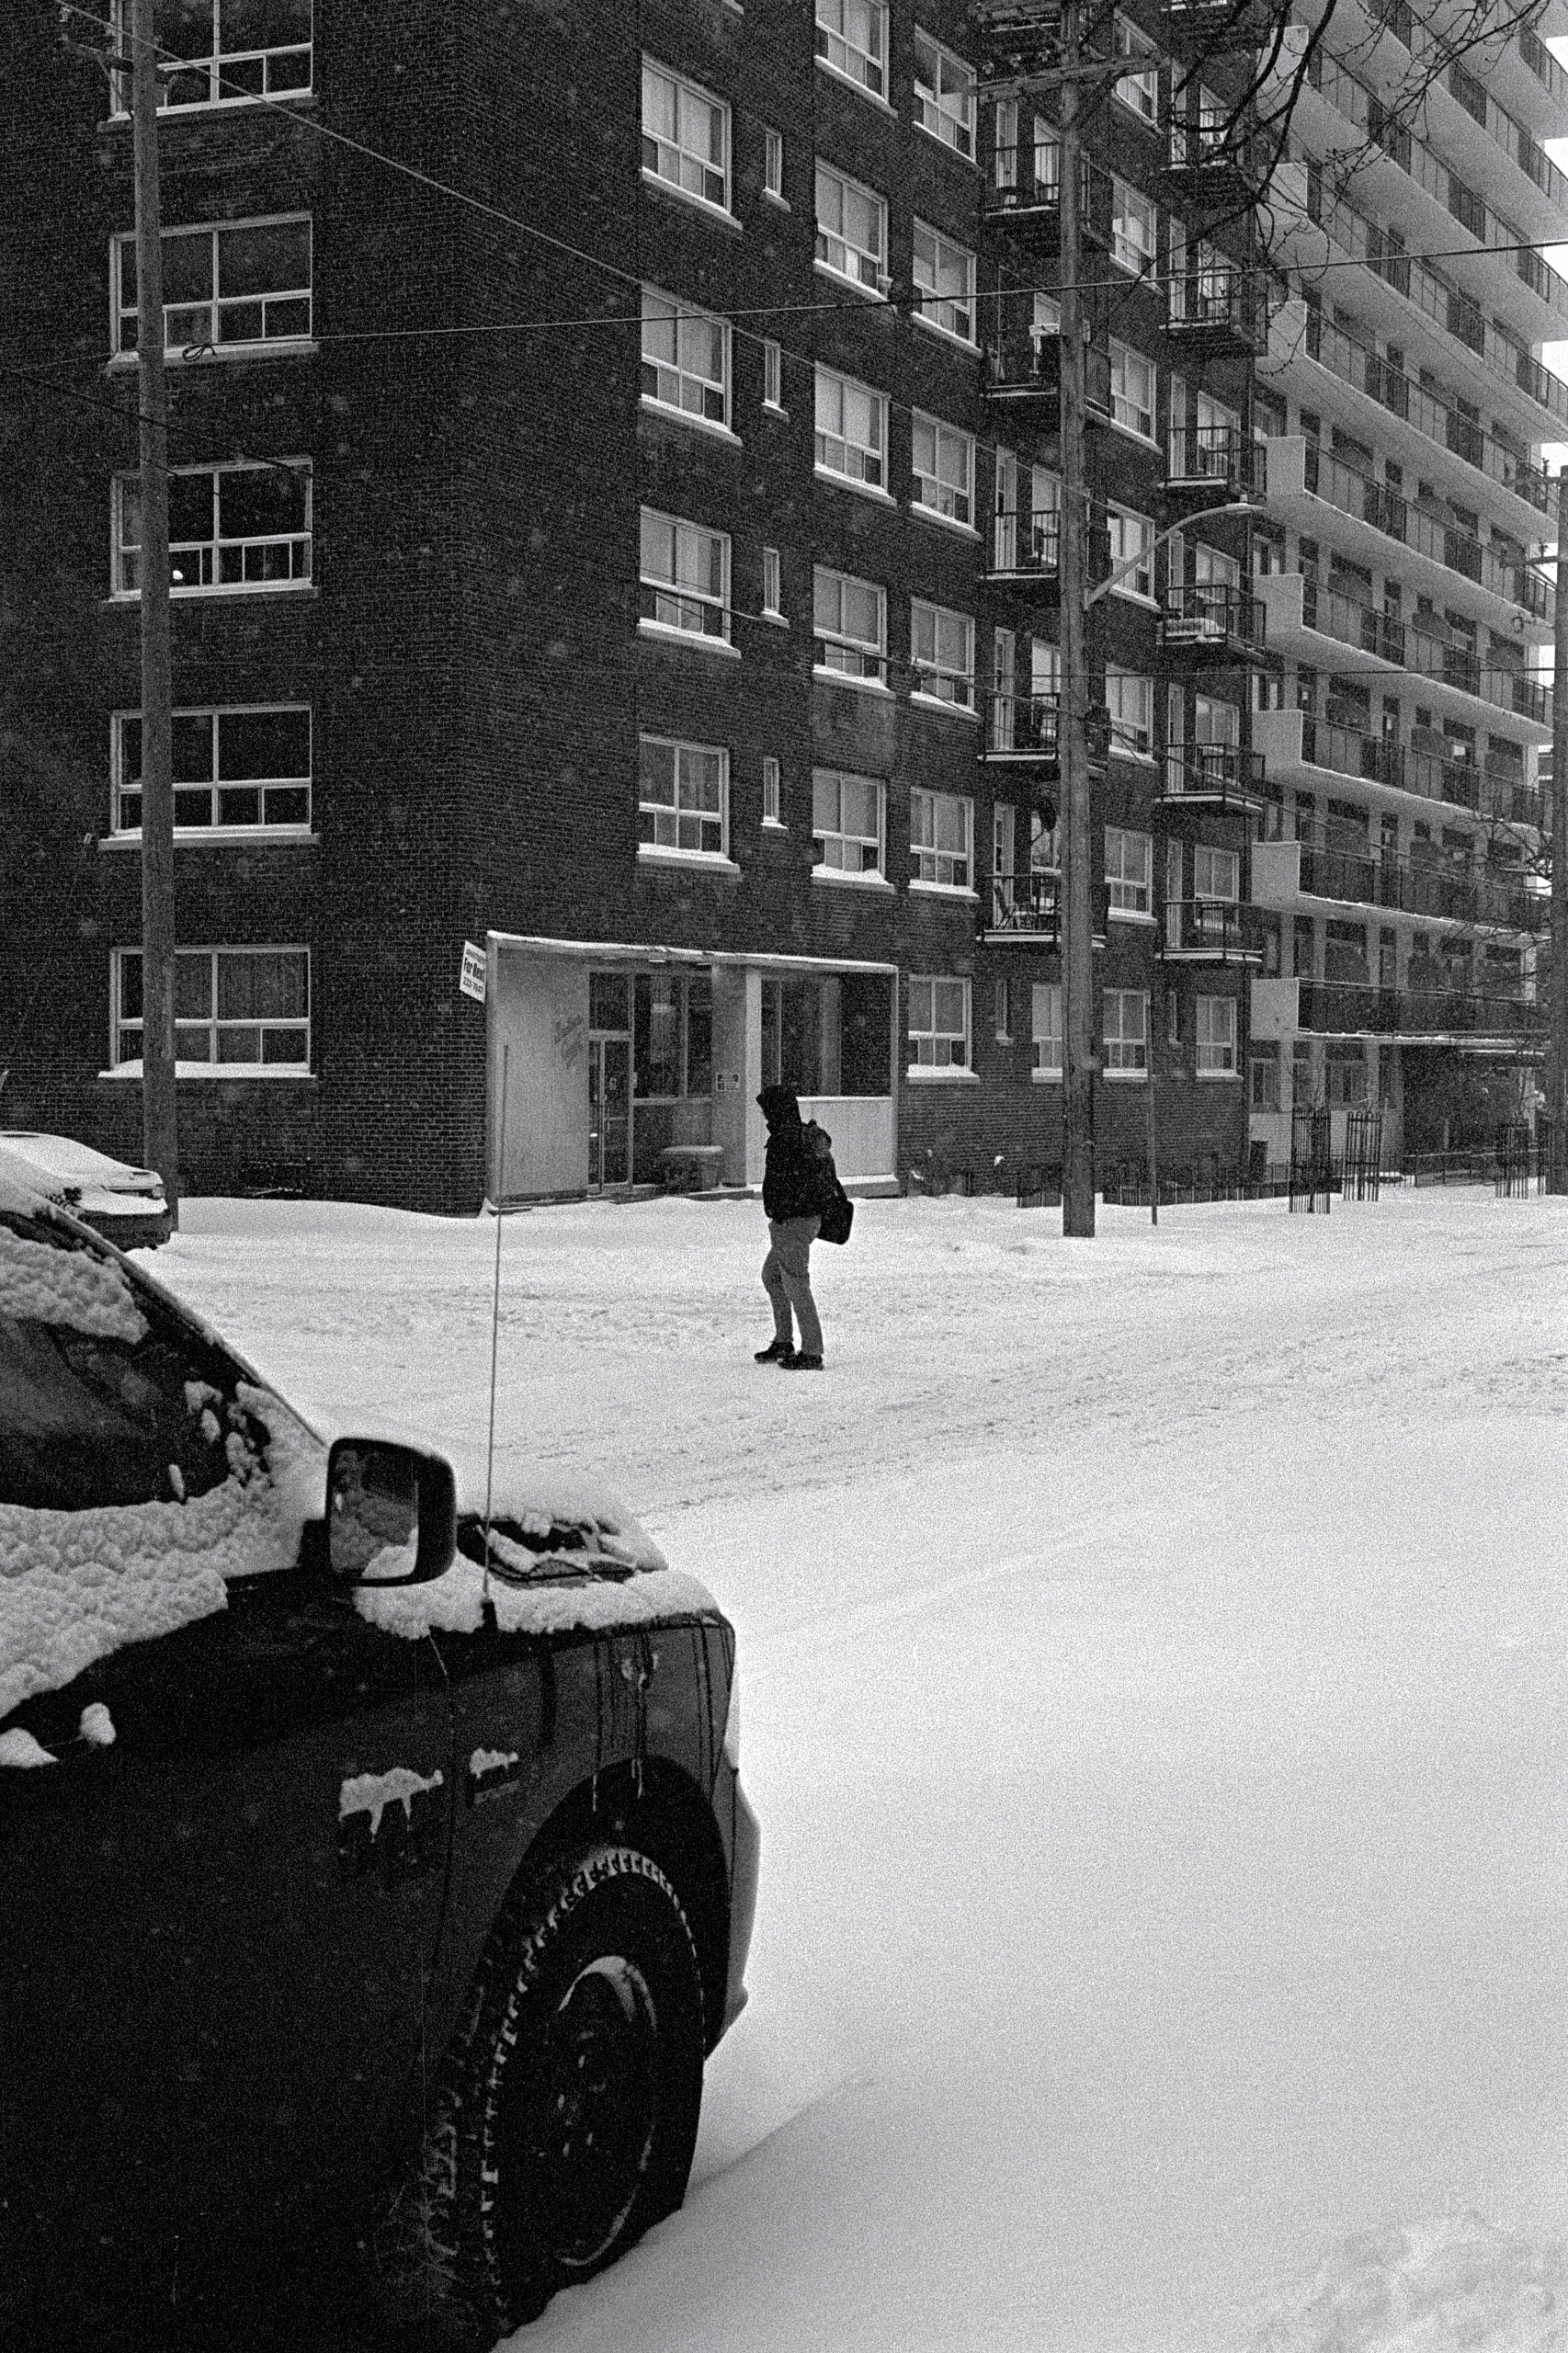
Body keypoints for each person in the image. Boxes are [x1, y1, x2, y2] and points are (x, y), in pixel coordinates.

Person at [754, 1085, 835, 1370]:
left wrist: (782, 1211)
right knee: (772, 1276)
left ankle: (812, 1351)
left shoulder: (786, 1140)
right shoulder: (802, 1135)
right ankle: (783, 1341)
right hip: (802, 1221)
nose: (764, 1115)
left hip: (792, 1223)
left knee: (797, 1285)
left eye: (766, 1110)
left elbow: (784, 1184)